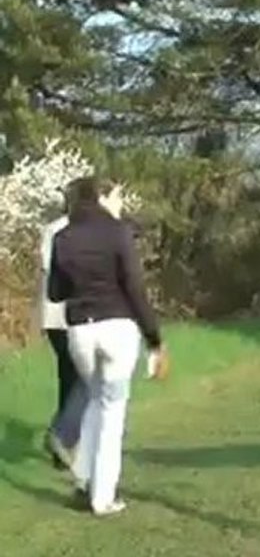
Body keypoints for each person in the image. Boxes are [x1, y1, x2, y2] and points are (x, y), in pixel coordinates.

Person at [47, 176, 166, 516]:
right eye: (115, 196)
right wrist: (154, 338)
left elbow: (55, 293)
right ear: (100, 197)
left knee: (95, 402)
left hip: (81, 331)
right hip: (118, 329)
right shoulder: (118, 232)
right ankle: (103, 498)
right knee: (112, 412)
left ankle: (84, 481)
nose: (120, 202)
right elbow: (134, 287)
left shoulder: (62, 237)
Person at [37, 198, 88, 470]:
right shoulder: (63, 231)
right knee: (80, 378)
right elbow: (54, 269)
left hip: (56, 316)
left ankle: (64, 443)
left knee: (69, 377)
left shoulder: (54, 229)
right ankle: (62, 434)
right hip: (67, 315)